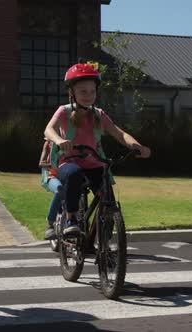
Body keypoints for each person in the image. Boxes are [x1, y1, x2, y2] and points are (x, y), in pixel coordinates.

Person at [44, 63, 150, 236]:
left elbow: (119, 134)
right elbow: (48, 129)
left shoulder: (99, 115)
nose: (88, 96)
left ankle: (102, 238)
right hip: (68, 162)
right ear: (72, 93)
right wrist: (59, 140)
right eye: (83, 91)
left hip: (94, 164)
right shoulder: (64, 111)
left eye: (92, 91)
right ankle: (71, 219)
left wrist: (137, 146)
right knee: (73, 174)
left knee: (107, 196)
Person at [39, 138, 61, 240]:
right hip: (52, 176)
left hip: (66, 175)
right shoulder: (49, 143)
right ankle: (50, 224)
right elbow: (41, 163)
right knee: (59, 189)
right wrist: (53, 165)